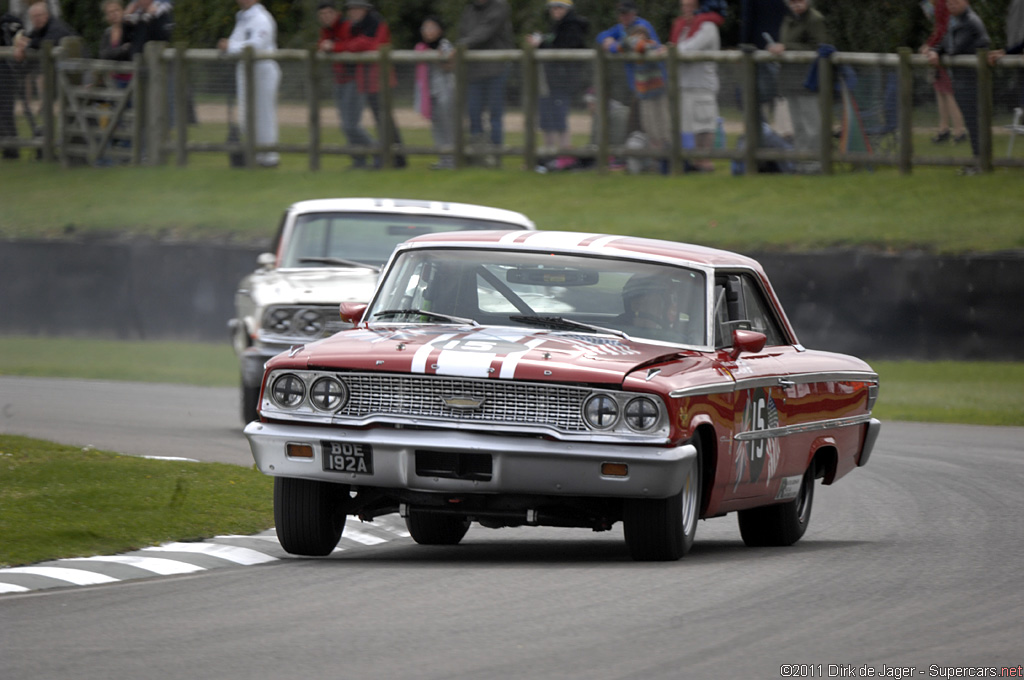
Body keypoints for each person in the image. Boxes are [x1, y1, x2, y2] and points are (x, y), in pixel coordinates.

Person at [926, 0, 989, 174]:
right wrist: (935, 52)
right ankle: (978, 162)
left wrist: (940, 53)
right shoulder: (957, 21)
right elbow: (946, 44)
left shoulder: (969, 21)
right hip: (962, 81)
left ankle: (982, 164)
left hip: (973, 81)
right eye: (949, 2)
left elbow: (955, 48)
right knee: (973, 123)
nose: (951, 5)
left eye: (956, 1)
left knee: (977, 124)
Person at [341, 0, 405, 168]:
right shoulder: (355, 27)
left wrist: (357, 44)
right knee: (380, 120)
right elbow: (349, 44)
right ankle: (391, 159)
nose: (353, 13)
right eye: (351, 10)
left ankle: (397, 159)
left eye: (356, 9)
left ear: (365, 10)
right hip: (367, 80)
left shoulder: (377, 24)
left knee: (385, 121)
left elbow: (374, 45)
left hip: (380, 80)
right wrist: (356, 44)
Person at [218, 0, 280, 168]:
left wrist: (229, 46)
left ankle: (269, 159)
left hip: (262, 72)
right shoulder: (243, 18)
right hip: (245, 72)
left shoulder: (262, 18)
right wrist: (229, 46)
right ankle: (256, 155)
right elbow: (235, 43)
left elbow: (256, 46)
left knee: (264, 116)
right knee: (246, 117)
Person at [768, 0, 828, 173]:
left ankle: (815, 164)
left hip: (808, 79)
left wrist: (786, 47)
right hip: (790, 78)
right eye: (792, 2)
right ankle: (801, 162)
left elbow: (819, 46)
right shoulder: (788, 18)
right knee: (799, 125)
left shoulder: (815, 19)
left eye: (799, 1)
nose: (796, 5)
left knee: (812, 125)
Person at [527, 0, 588, 169]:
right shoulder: (557, 26)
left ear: (567, 9)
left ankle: (564, 155)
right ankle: (549, 154)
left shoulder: (572, 26)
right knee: (547, 118)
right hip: (550, 80)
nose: (555, 10)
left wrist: (541, 44)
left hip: (563, 81)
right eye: (553, 7)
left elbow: (563, 48)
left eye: (559, 7)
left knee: (559, 118)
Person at [457, 0, 514, 165]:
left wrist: (461, 45)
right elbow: (462, 33)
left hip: (496, 69)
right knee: (474, 114)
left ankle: (495, 155)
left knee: (495, 116)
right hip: (474, 72)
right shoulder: (468, 10)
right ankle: (477, 155)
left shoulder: (500, 6)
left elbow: (485, 32)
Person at [671, 0, 725, 172]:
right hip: (685, 84)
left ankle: (705, 162)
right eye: (684, 6)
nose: (686, 10)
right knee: (690, 125)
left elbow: (689, 48)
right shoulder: (683, 27)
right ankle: (695, 161)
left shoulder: (707, 27)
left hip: (703, 84)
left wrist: (670, 51)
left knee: (705, 124)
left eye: (690, 7)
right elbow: (677, 47)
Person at [318, 0, 372, 168]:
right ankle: (359, 160)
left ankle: (379, 151)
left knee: (351, 125)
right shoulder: (326, 31)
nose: (325, 17)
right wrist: (326, 46)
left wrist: (334, 47)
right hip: (339, 80)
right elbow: (322, 44)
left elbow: (359, 44)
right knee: (345, 125)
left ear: (335, 13)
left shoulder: (348, 26)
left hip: (354, 79)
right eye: (322, 14)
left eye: (328, 13)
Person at [920, 0, 967, 144]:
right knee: (940, 89)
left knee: (947, 91)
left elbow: (943, 29)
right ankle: (944, 128)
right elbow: (939, 28)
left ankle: (959, 130)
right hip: (941, 49)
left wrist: (930, 45)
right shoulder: (936, 4)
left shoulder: (942, 3)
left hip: (945, 51)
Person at [414, 16, 455, 169]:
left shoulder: (444, 45)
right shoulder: (421, 48)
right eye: (425, 28)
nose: (428, 31)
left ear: (440, 30)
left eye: (432, 27)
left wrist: (438, 58)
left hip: (445, 92)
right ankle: (443, 160)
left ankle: (453, 160)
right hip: (430, 94)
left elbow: (451, 66)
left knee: (448, 126)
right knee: (437, 126)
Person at [1, 9, 24, 159]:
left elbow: (20, 32)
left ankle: (11, 151)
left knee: (5, 112)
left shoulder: (7, 21)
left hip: (5, 74)